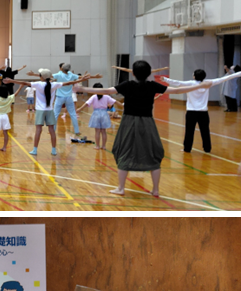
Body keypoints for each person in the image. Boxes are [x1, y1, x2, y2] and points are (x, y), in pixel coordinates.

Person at [76, 60, 210, 197]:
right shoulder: (152, 86)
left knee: (123, 151)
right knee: (153, 153)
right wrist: (200, 85)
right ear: (149, 73)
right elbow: (176, 90)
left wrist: (82, 89)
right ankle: (155, 190)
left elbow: (106, 91)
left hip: (128, 122)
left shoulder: (127, 85)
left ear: (133, 73)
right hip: (147, 123)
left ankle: (121, 188)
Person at [3, 69, 93, 156]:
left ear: (41, 77)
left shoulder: (38, 84)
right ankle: (53, 150)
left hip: (40, 110)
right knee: (52, 131)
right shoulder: (54, 84)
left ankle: (35, 150)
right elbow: (68, 83)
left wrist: (11, 80)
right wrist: (81, 80)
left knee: (38, 130)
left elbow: (24, 83)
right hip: (50, 110)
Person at [159, 67, 241, 153]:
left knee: (189, 131)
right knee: (205, 131)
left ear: (194, 76)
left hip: (191, 112)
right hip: (203, 113)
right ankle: (207, 149)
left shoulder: (190, 83)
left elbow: (177, 83)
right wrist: (239, 73)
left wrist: (165, 79)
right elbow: (223, 78)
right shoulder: (208, 83)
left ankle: (187, 149)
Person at [76, 83, 114, 151]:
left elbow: (87, 103)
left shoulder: (94, 96)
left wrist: (80, 109)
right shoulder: (106, 96)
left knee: (97, 131)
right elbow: (113, 103)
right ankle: (104, 146)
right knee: (104, 131)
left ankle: (97, 146)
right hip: (104, 114)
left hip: (96, 114)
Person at [53, 64, 84, 139]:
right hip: (69, 97)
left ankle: (53, 129)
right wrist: (93, 77)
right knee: (73, 114)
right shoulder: (71, 75)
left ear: (61, 68)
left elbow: (47, 76)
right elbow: (81, 77)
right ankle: (77, 131)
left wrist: (33, 74)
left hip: (60, 97)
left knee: (55, 114)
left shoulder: (59, 74)